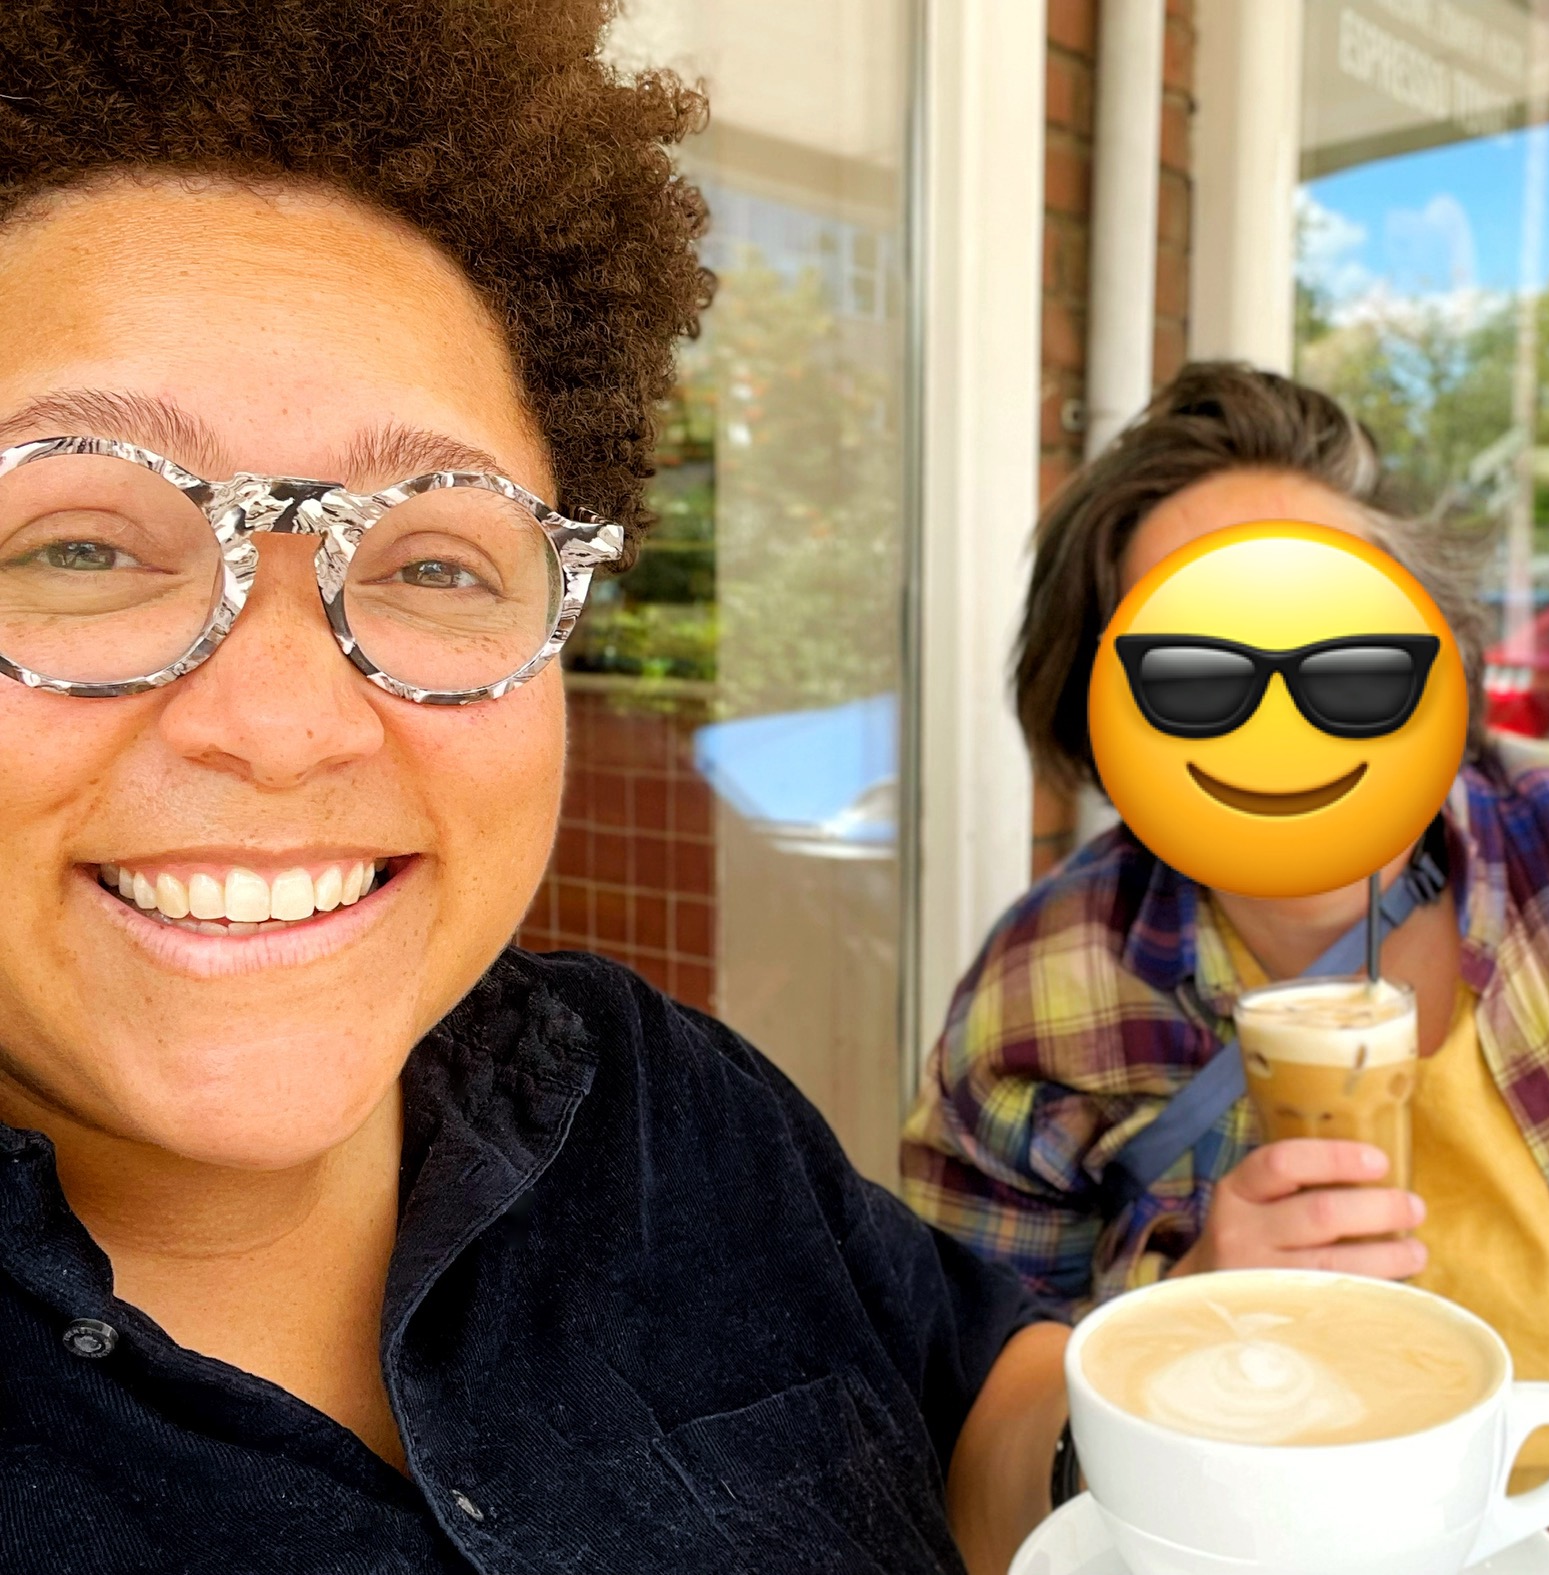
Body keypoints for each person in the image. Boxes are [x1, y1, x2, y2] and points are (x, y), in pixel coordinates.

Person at [0, 6, 1066, 1573]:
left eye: (434, 555)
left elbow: (974, 1393)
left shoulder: (649, 1101)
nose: (289, 724)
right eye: (80, 547)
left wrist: (1210, 1425)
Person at [903, 363, 1549, 1573]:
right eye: (1197, 678)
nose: (1281, 721)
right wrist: (1181, 1312)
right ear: (1100, 716)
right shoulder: (1043, 996)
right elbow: (965, 1437)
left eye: (1351, 664)